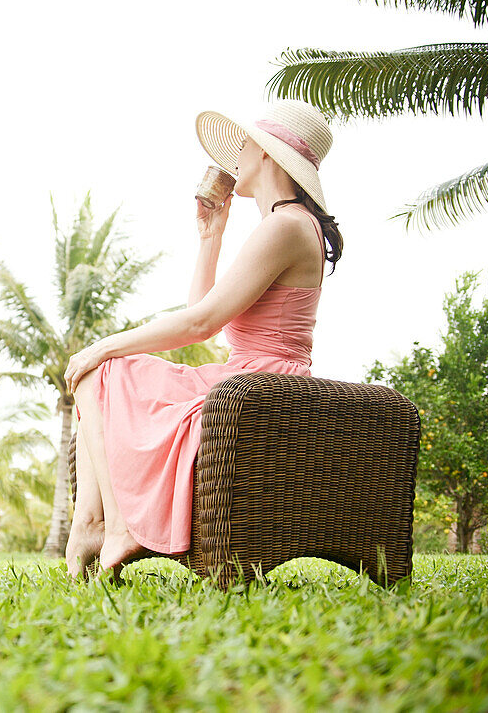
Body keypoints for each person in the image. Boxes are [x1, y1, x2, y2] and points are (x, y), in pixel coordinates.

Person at [62, 98, 343, 580]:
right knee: (103, 379)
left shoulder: (285, 226)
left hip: (260, 384)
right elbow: (204, 315)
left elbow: (200, 325)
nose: (237, 153)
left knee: (103, 369)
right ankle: (93, 524)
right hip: (245, 375)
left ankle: (114, 526)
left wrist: (102, 344)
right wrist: (211, 237)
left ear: (270, 158)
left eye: (247, 144)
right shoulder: (285, 225)